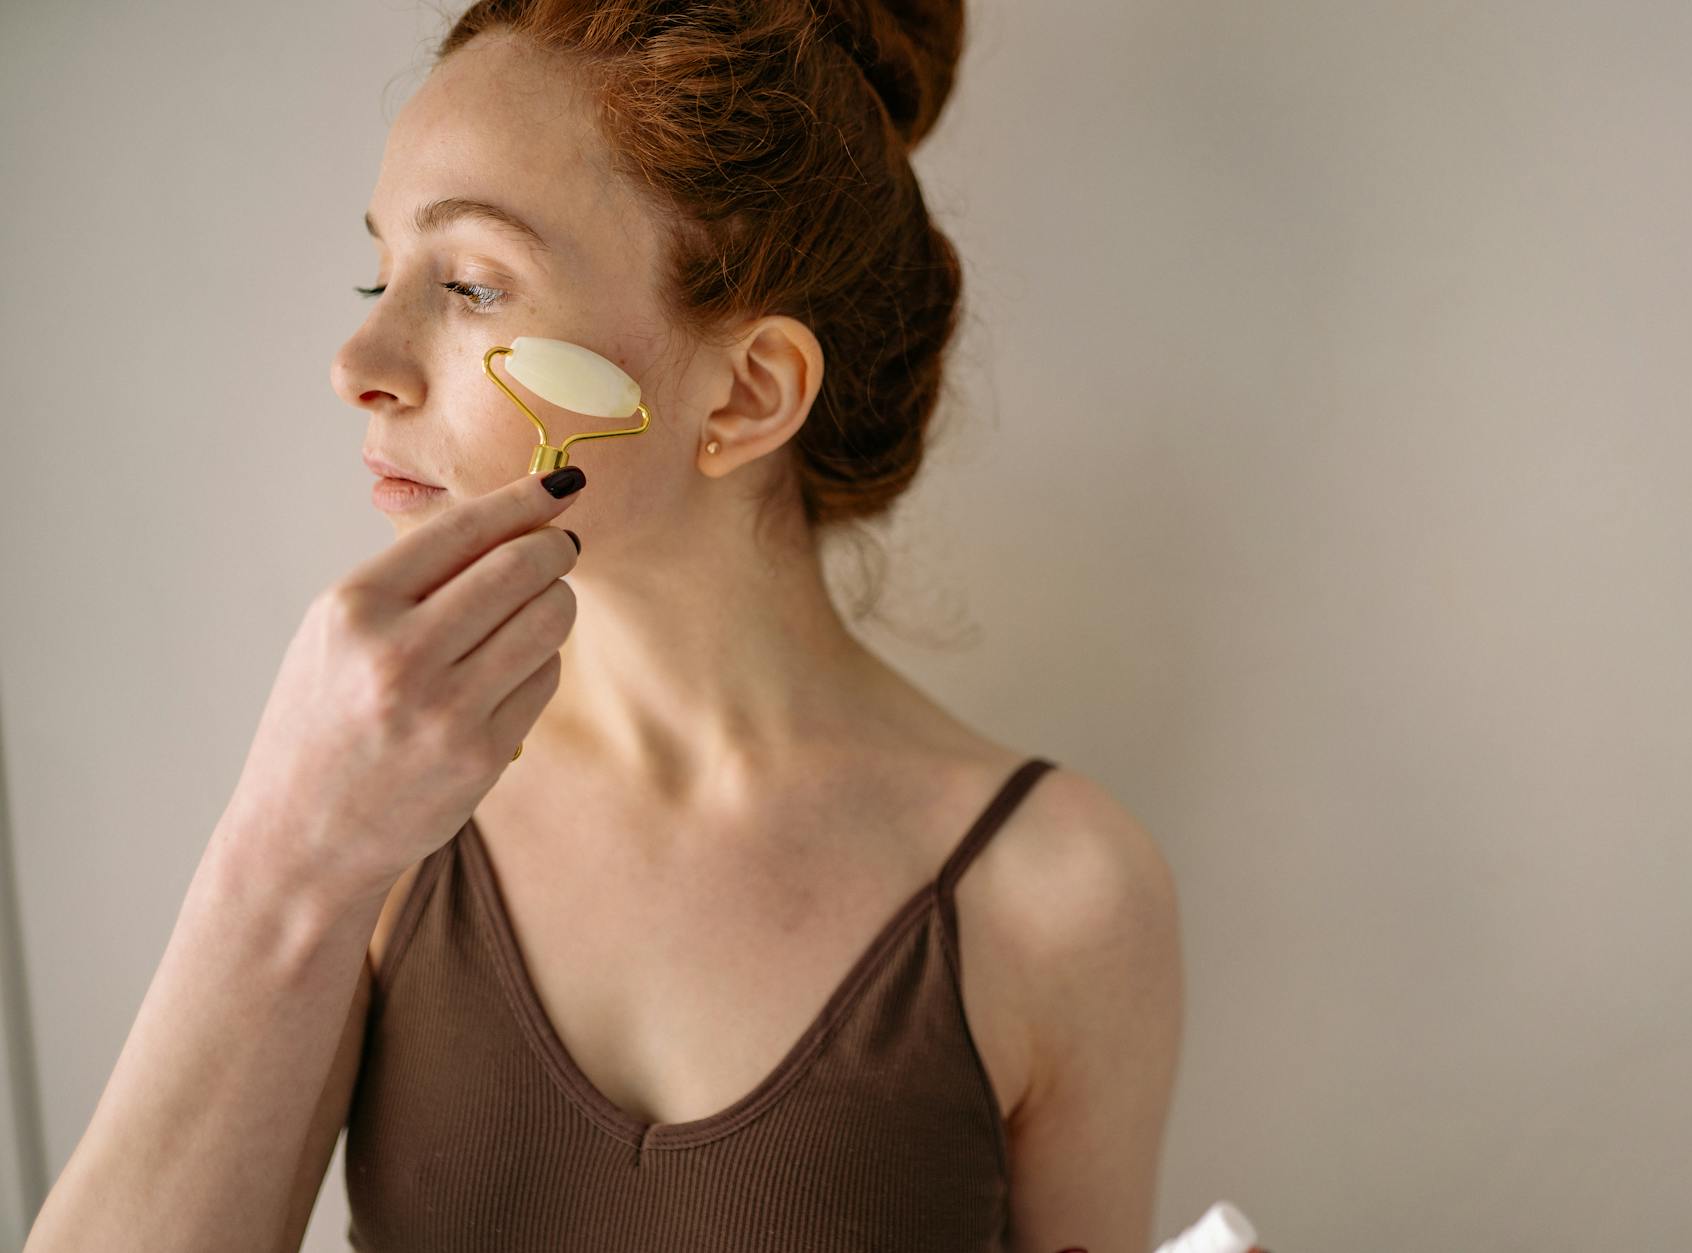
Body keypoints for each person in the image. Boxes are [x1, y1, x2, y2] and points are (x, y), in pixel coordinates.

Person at [26, 3, 1183, 1250]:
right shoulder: (377, 810)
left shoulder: (1058, 896)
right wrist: (288, 854)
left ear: (744, 395)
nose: (360, 356)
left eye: (469, 285)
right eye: (380, 274)